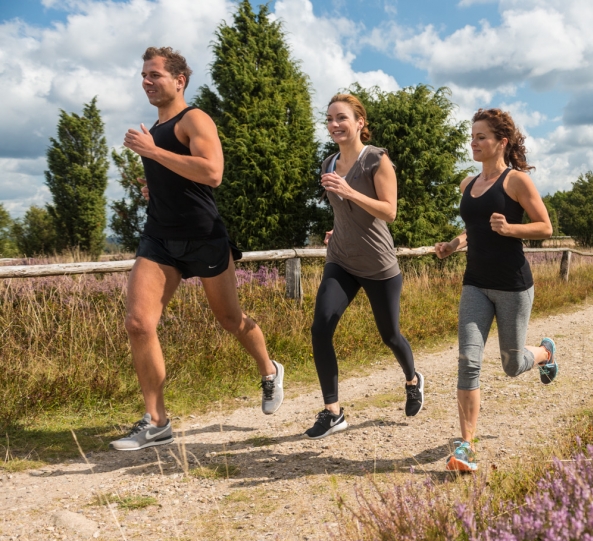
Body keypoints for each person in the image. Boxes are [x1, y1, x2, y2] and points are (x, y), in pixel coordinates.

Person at [111, 47, 283, 451]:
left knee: (230, 319)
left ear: (179, 80)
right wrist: (155, 183)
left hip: (204, 236)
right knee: (138, 323)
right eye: (143, 75)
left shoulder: (195, 119)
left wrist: (152, 152)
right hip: (159, 238)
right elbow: (179, 176)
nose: (146, 82)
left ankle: (269, 369)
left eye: (154, 75)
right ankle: (157, 422)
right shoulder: (155, 127)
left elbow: (213, 172)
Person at [434, 108, 557, 473]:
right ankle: (466, 447)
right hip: (475, 283)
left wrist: (512, 230)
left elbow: (545, 227)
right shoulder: (467, 185)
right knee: (468, 361)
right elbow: (475, 230)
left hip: (512, 286)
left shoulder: (515, 181)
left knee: (510, 364)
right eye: (472, 136)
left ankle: (545, 352)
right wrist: (453, 245)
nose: (474, 142)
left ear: (501, 142)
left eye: (481, 136)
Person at [306, 93, 423, 439]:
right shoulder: (328, 163)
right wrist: (339, 227)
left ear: (359, 122)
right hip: (341, 259)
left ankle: (413, 379)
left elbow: (389, 211)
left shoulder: (377, 160)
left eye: (341, 118)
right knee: (320, 327)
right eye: (329, 119)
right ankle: (333, 412)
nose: (334, 125)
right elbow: (343, 210)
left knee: (390, 335)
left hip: (378, 264)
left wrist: (349, 192)